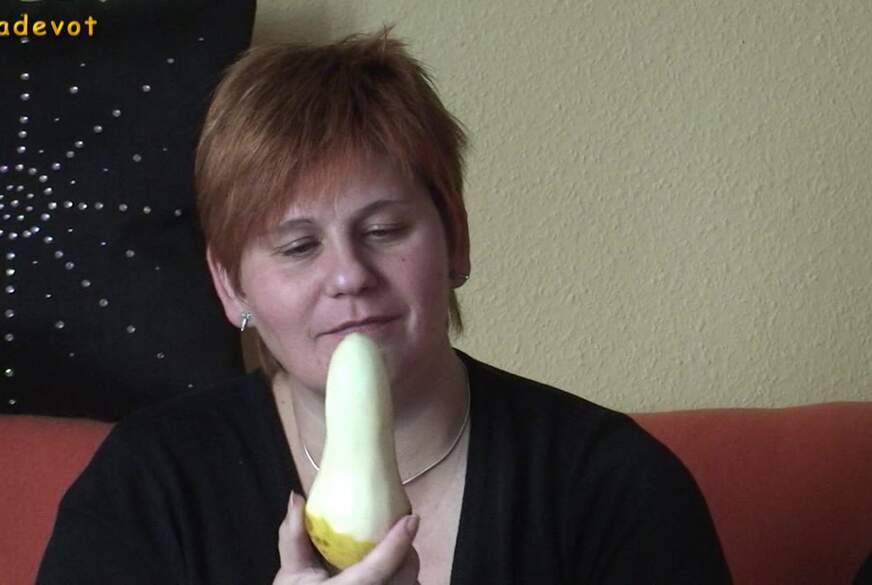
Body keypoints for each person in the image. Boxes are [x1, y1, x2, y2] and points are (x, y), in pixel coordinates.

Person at [37, 30, 732, 584]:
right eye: (298, 246)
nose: (348, 276)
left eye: (384, 230)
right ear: (230, 286)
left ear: (455, 239)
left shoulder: (614, 485)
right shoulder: (145, 488)